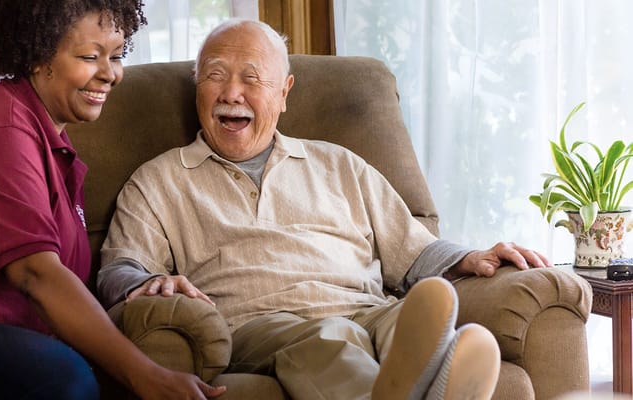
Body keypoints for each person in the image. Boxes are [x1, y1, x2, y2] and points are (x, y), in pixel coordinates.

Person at [97, 18, 553, 400]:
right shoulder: (159, 180)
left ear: (284, 92)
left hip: (366, 308)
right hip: (259, 321)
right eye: (215, 75)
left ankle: (425, 379)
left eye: (251, 78)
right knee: (329, 340)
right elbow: (120, 267)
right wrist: (147, 280)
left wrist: (467, 257)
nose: (231, 93)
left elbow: (412, 250)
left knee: (407, 320)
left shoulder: (339, 164)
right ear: (198, 85)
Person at [0, 1, 227, 399]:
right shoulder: (1, 129)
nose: (110, 74)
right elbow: (36, 275)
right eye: (90, 57)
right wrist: (147, 376)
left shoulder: (52, 145)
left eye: (117, 56)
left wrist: (142, 283)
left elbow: (68, 281)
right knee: (62, 377)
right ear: (39, 57)